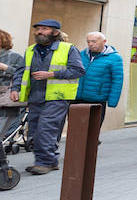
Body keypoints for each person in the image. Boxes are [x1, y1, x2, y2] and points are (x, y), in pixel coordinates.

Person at [8, 19, 85, 175]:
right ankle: (50, 160)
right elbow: (21, 71)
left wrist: (52, 74)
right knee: (34, 132)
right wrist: (15, 88)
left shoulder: (68, 49)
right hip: (35, 96)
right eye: (37, 29)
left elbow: (78, 70)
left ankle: (44, 162)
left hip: (57, 97)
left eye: (44, 29)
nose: (39, 32)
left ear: (55, 32)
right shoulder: (30, 50)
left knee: (46, 129)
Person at [73, 31, 124, 127]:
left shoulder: (114, 58)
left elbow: (117, 81)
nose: (90, 44)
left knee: (93, 128)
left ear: (104, 41)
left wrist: (112, 101)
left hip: (97, 99)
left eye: (94, 41)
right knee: (76, 127)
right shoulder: (81, 54)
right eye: (88, 41)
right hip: (77, 98)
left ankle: (92, 142)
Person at [0, 29, 22, 142]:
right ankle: (3, 160)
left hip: (6, 102)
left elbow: (23, 75)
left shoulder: (16, 57)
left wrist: (5, 68)